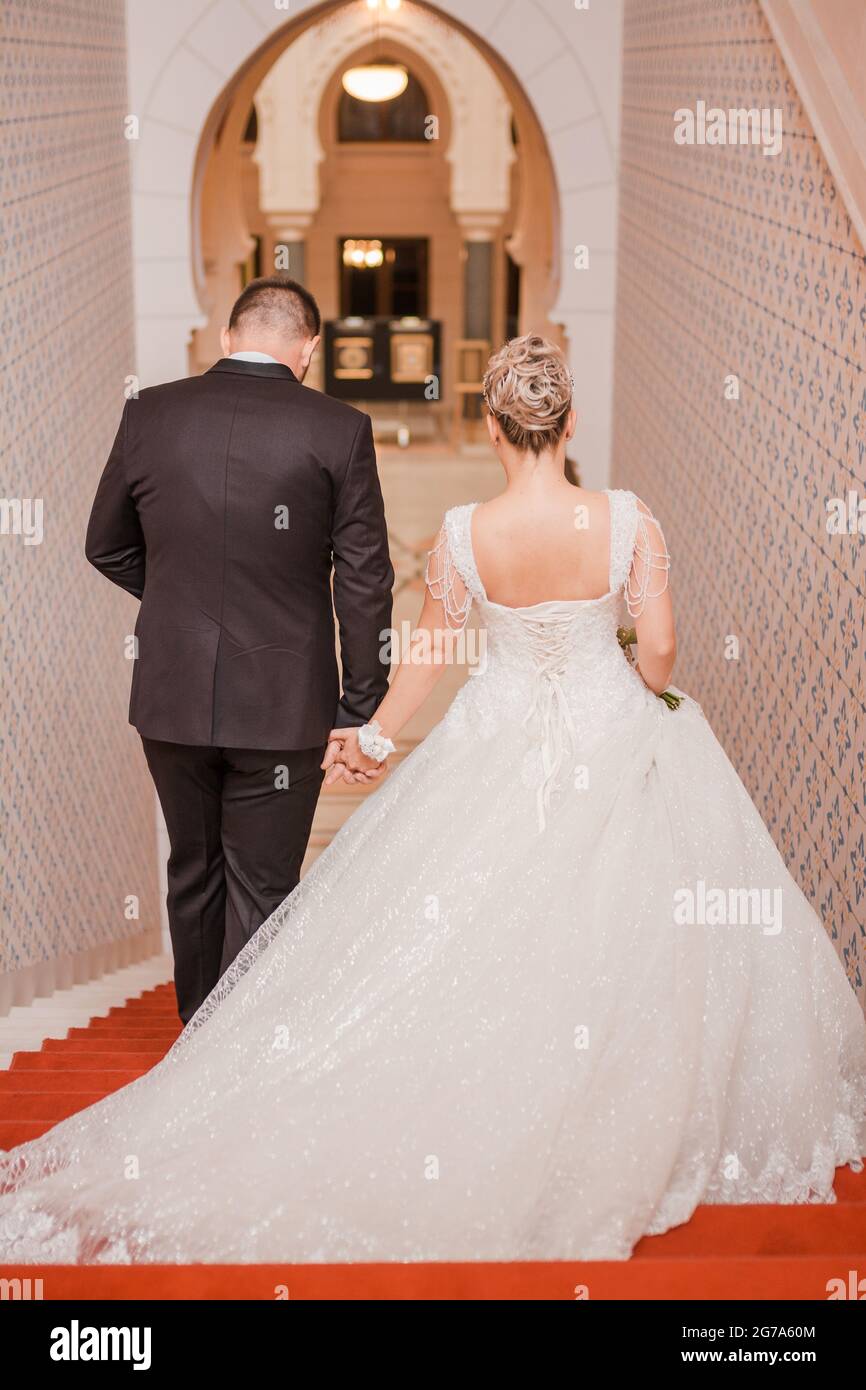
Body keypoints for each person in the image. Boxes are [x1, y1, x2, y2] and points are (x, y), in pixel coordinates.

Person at [1, 334, 863, 1264]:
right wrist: (627, 676)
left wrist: (370, 738)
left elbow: (429, 654)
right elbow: (658, 647)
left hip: (491, 740)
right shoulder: (625, 520)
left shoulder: (464, 533)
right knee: (619, 926)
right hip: (614, 734)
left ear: (489, 425)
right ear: (568, 423)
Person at [84, 277, 393, 1023]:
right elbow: (364, 582)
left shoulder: (150, 412)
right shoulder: (338, 428)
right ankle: (236, 1069)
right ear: (309, 349)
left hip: (171, 695)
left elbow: (105, 546)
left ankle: (194, 1047)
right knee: (263, 883)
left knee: (193, 872)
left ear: (227, 337)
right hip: (285, 707)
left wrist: (179, 607)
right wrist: (359, 709)